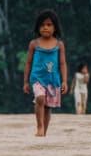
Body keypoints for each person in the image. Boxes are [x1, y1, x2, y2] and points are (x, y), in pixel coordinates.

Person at [23, 9, 68, 137]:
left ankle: (44, 132)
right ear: (38, 27)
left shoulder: (59, 45)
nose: (45, 28)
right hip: (37, 79)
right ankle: (39, 127)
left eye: (49, 25)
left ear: (55, 27)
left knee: (48, 107)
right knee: (40, 98)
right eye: (42, 25)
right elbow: (28, 63)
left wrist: (64, 81)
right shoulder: (34, 44)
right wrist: (26, 82)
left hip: (53, 80)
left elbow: (62, 64)